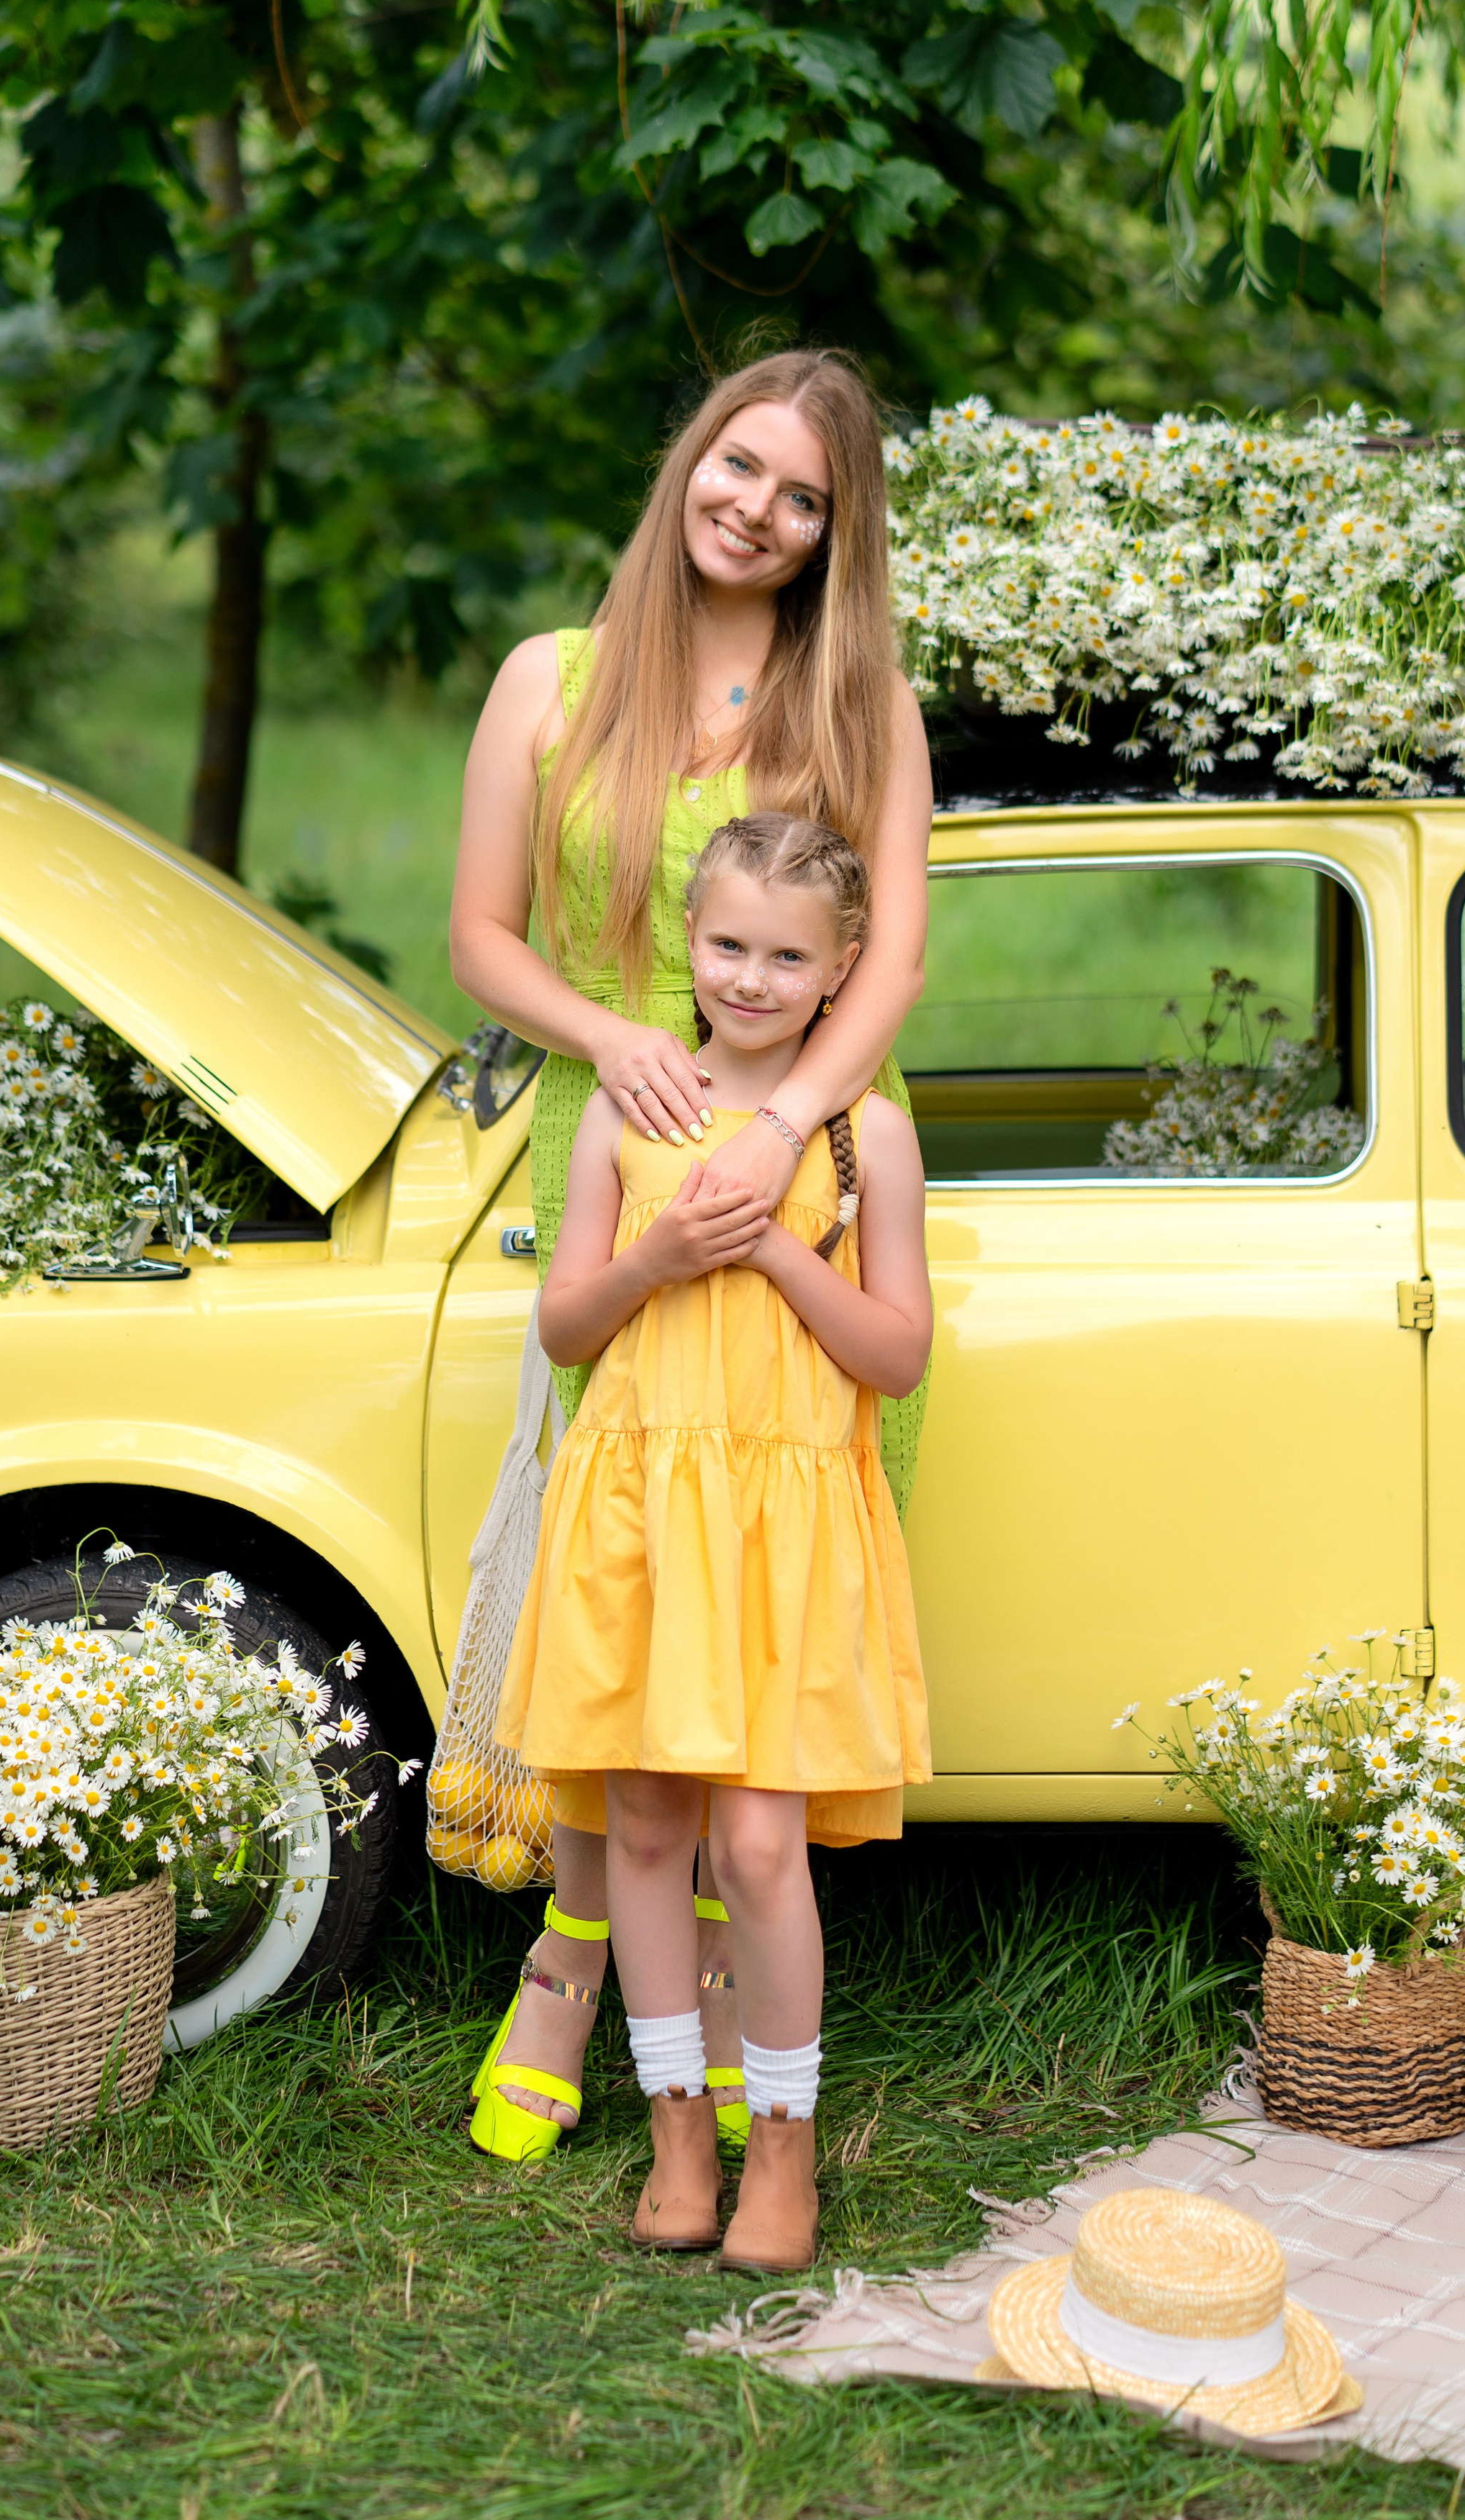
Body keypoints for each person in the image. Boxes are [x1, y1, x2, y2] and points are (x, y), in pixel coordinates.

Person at [449, 349, 932, 2158]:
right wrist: (609, 1040)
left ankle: (726, 1967)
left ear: (832, 532)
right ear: (688, 462)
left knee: (768, 1580)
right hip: (617, 1130)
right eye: (739, 466)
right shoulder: (551, 678)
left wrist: (787, 1125)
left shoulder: (862, 700)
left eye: (805, 497)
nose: (758, 510)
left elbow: (887, 960)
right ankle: (569, 1956)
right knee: (620, 1572)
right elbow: (483, 935)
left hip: (810, 1141)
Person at [497, 814, 933, 2267]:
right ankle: (678, 2129)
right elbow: (567, 1327)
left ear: (841, 971)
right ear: (688, 940)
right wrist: (659, 1256)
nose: (751, 978)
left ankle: (783, 2152)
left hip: (779, 1529)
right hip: (639, 1512)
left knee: (755, 1843)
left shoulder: (860, 1133)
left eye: (789, 958)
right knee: (642, 1824)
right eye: (729, 945)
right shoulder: (634, 1111)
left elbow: (897, 1356)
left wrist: (775, 1252)